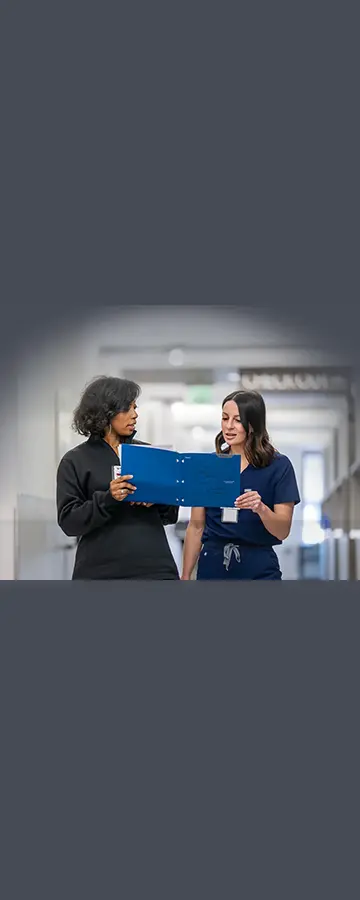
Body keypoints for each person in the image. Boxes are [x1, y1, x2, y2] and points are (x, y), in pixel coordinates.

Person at [56, 376, 179, 580]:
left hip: (155, 570)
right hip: (100, 573)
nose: (135, 415)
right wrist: (109, 498)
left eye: (135, 407)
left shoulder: (150, 453)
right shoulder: (75, 460)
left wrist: (157, 498)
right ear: (106, 412)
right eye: (127, 409)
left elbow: (170, 514)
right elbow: (69, 522)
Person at [181, 390, 300, 580]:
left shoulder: (279, 466)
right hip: (213, 567)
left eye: (237, 420)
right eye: (225, 418)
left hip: (259, 569)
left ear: (252, 425)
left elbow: (282, 530)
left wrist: (261, 509)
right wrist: (185, 575)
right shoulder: (208, 466)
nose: (228, 426)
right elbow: (196, 527)